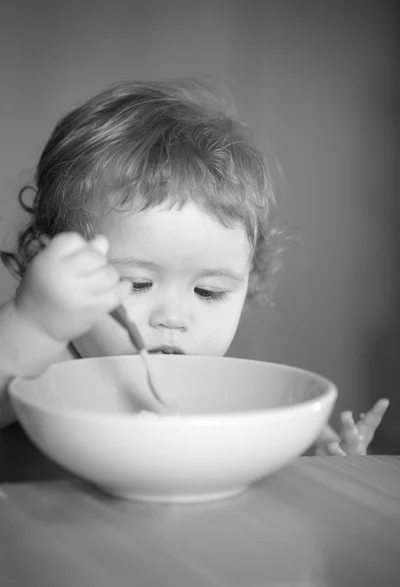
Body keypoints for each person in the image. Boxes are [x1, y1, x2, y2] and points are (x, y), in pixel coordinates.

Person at [0, 79, 389, 454]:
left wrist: (327, 451)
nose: (173, 319)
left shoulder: (222, 388)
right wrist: (34, 321)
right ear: (51, 262)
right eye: (136, 283)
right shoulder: (40, 360)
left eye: (209, 292)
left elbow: (286, 434)